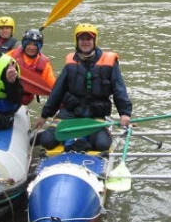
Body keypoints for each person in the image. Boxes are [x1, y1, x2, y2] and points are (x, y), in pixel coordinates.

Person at [33, 23, 132, 152]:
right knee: (46, 141)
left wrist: (124, 114)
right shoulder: (70, 64)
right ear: (77, 41)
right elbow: (57, 91)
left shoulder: (109, 63)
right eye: (82, 39)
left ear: (94, 41)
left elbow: (120, 89)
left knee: (102, 145)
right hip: (71, 113)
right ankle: (74, 139)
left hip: (95, 114)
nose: (85, 42)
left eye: (88, 39)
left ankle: (80, 141)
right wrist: (44, 115)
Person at [8, 28, 56, 106]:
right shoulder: (10, 56)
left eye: (35, 45)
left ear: (40, 46)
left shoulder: (44, 65)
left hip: (23, 102)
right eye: (29, 44)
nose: (32, 47)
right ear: (24, 44)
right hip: (6, 97)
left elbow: (53, 86)